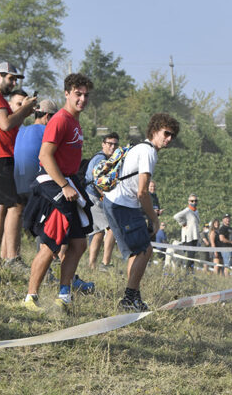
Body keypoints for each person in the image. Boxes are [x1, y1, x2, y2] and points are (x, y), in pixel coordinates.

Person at [21, 73, 93, 313]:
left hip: (70, 183)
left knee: (79, 244)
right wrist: (63, 185)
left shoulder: (75, 121)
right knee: (50, 245)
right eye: (77, 94)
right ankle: (31, 297)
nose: (82, 99)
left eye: (85, 95)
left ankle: (63, 296)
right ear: (67, 93)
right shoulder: (60, 120)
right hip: (55, 185)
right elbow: (44, 156)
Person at [102, 112, 178, 311]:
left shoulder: (142, 148)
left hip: (120, 203)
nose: (169, 139)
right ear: (154, 130)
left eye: (172, 136)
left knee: (140, 251)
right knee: (144, 250)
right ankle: (128, 299)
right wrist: (154, 219)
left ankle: (133, 296)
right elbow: (143, 191)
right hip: (123, 205)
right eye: (166, 133)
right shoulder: (148, 152)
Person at [0, 62, 37, 271]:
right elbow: (5, 123)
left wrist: (23, 112)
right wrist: (26, 109)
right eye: (11, 78)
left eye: (15, 80)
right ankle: (12, 258)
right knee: (15, 205)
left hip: (0, 155)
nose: (13, 83)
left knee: (1, 206)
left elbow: (8, 126)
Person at [85, 132, 119, 271]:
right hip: (94, 197)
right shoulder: (102, 160)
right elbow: (96, 181)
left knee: (97, 232)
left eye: (115, 144)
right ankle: (105, 263)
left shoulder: (102, 158)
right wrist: (104, 196)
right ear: (103, 144)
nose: (112, 147)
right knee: (112, 228)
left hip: (89, 196)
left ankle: (92, 265)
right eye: (109, 143)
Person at [172, 193, 200, 273]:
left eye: (195, 201)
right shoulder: (187, 210)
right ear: (188, 201)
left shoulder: (196, 211)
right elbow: (176, 216)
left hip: (195, 235)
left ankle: (190, 271)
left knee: (192, 255)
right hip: (188, 236)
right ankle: (187, 272)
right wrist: (183, 223)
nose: (194, 202)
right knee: (190, 255)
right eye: (192, 201)